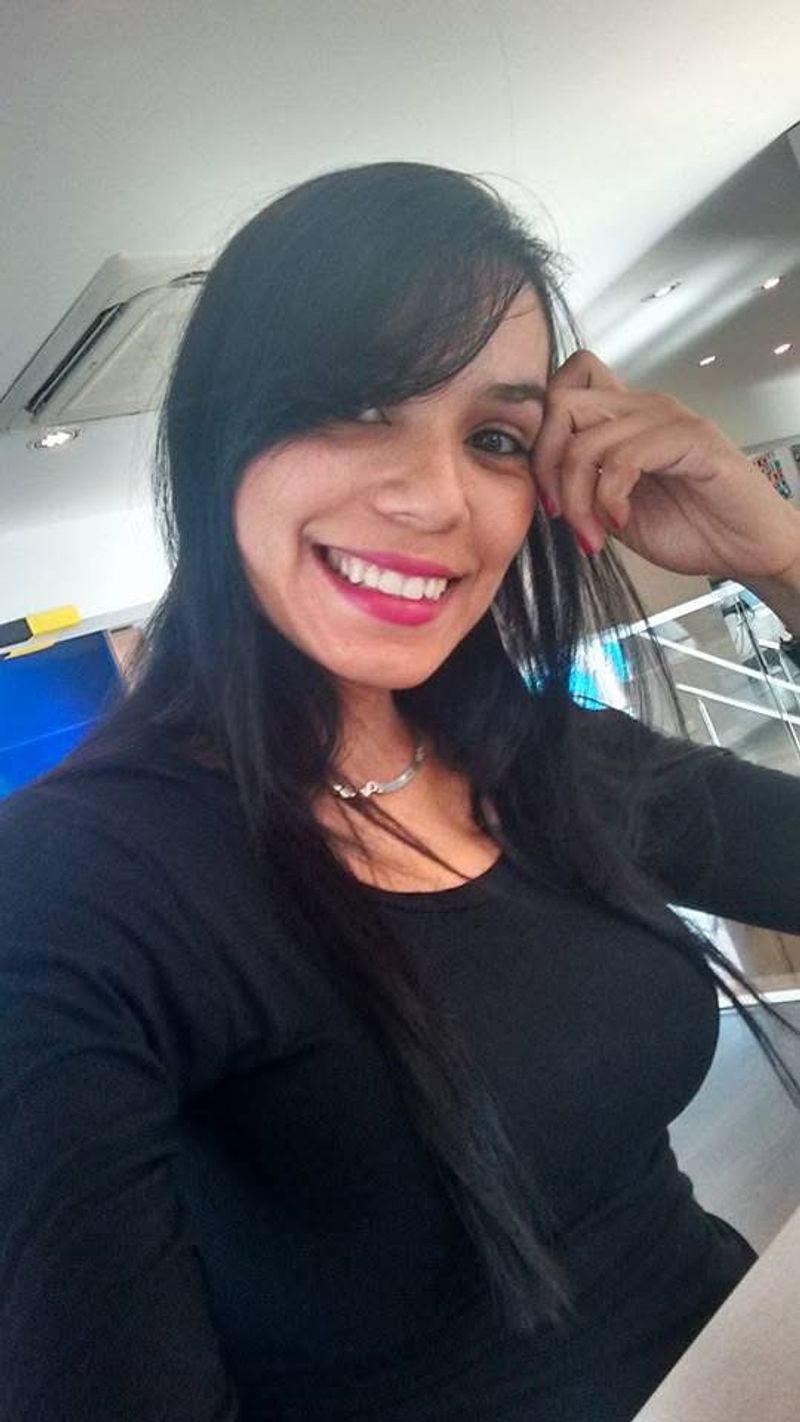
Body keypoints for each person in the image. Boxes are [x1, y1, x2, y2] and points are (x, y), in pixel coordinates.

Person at [1, 161, 799, 1422]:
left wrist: (782, 559)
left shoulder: (550, 757)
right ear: (218, 435)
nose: (436, 498)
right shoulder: (70, 887)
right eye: (356, 405)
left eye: (494, 439)